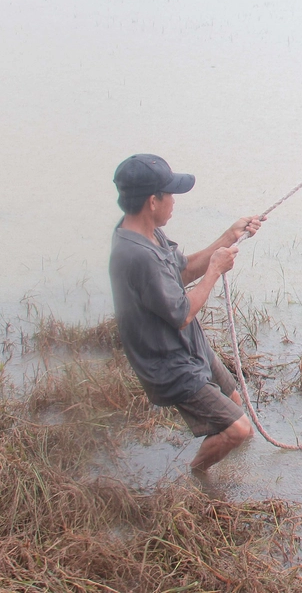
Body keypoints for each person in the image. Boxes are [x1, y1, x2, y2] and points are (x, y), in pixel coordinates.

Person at [108, 153, 262, 476]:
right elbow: (182, 314)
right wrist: (215, 271)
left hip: (189, 346)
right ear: (152, 201)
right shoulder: (136, 256)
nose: (175, 201)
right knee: (239, 430)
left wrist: (229, 235)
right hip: (169, 366)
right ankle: (196, 477)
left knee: (236, 399)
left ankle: (236, 464)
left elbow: (185, 270)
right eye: (170, 194)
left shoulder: (148, 233)